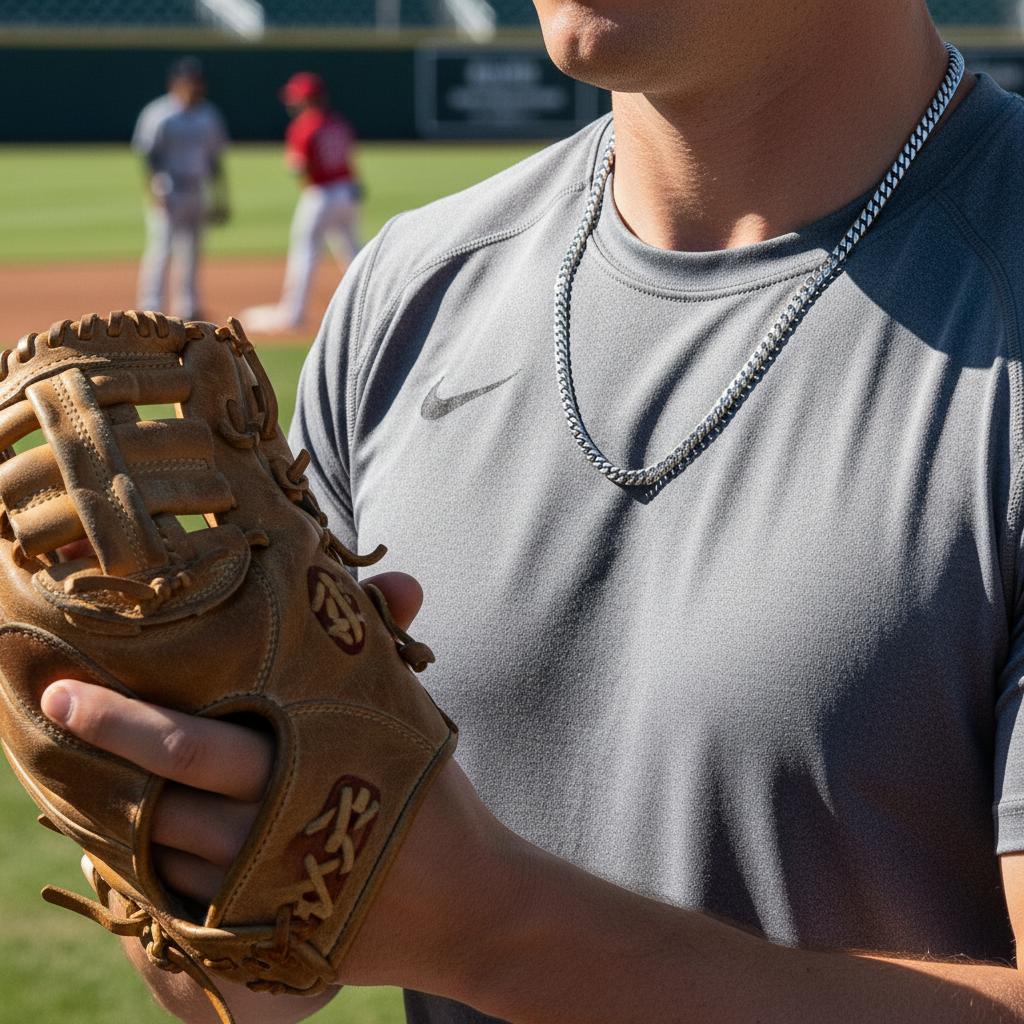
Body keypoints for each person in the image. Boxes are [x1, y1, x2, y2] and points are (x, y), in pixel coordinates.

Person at [35, 0, 1024, 1021]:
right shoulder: (407, 294)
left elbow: (460, 921)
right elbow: (249, 990)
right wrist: (158, 806)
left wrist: (486, 928)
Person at [243, 72, 361, 334]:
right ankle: (373, 302)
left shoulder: (304, 125)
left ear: (309, 99)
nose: (293, 103)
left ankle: (294, 313)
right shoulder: (338, 123)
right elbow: (348, 156)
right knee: (353, 252)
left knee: (305, 250)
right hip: (347, 189)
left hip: (320, 194)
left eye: (298, 98)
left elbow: (298, 166)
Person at [133, 55, 230, 321]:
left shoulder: (209, 114)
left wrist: (221, 197)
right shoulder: (159, 113)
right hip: (169, 186)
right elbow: (148, 156)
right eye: (188, 80)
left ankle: (188, 306)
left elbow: (215, 160)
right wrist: (153, 191)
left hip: (197, 186)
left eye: (197, 81)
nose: (194, 86)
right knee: (161, 247)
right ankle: (150, 306)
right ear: (175, 82)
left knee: (192, 249)